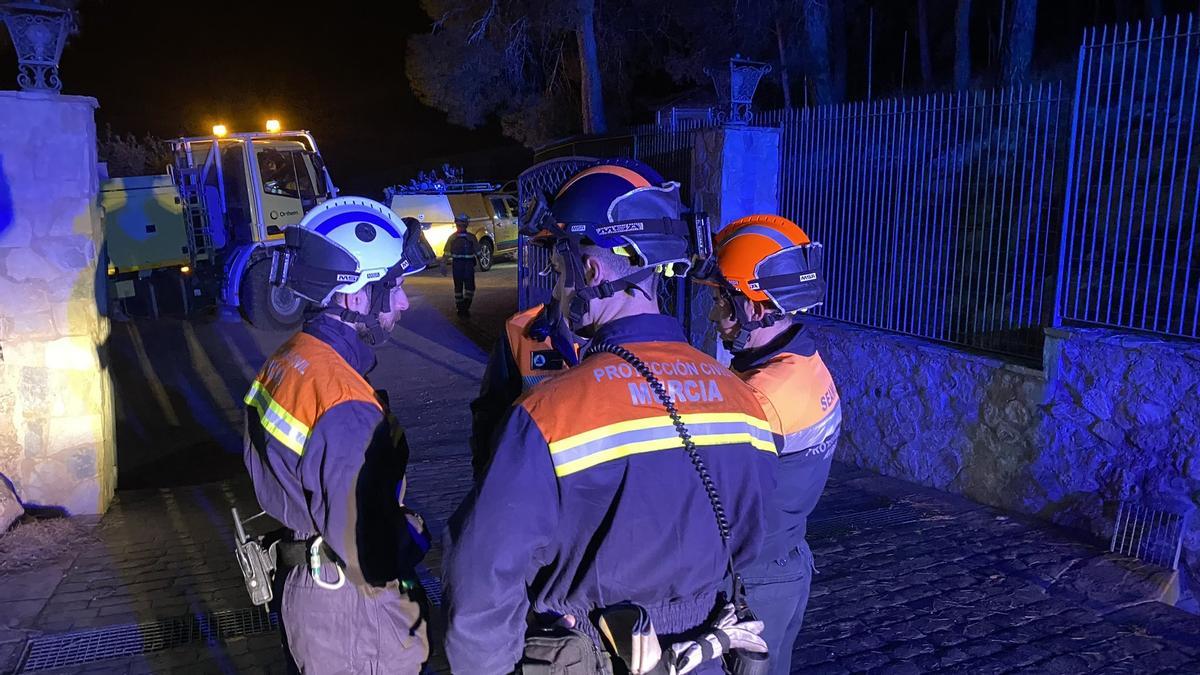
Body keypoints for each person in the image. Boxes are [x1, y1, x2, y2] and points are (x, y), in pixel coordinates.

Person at [443, 160, 776, 674]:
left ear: (591, 272)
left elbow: (482, 583)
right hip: (705, 655)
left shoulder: (548, 415)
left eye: (558, 274)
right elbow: (753, 539)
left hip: (588, 656)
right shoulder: (746, 402)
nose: (557, 291)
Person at [242, 197, 436, 674]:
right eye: (394, 288)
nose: (405, 302)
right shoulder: (344, 403)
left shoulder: (289, 358)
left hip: (310, 589)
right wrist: (414, 534)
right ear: (354, 297)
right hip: (354, 612)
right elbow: (369, 554)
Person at [697, 214, 841, 675]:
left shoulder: (762, 398)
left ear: (756, 308)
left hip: (752, 580)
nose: (716, 314)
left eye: (722, 300)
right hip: (785, 564)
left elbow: (706, 492)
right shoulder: (801, 363)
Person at [468, 297, 578, 481]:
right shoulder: (520, 329)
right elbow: (490, 414)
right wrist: (486, 481)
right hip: (537, 484)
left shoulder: (634, 342)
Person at [442, 213, 479, 316]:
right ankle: (464, 307)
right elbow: (478, 252)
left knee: (460, 288)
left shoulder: (452, 238)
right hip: (467, 266)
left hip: (459, 266)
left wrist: (443, 265)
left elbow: (446, 253)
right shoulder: (471, 237)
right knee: (468, 287)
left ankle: (462, 308)